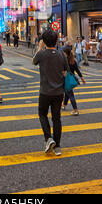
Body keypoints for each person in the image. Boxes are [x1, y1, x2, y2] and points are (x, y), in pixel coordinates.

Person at [32, 29, 69, 157]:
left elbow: (33, 61)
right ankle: (57, 147)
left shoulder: (41, 54)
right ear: (56, 40)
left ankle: (48, 138)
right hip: (59, 92)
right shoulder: (61, 55)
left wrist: (40, 47)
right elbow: (65, 73)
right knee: (56, 118)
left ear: (44, 41)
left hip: (45, 91)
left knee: (42, 114)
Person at [62, 47, 86, 116]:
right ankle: (64, 105)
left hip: (66, 80)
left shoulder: (64, 61)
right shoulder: (73, 61)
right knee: (67, 93)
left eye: (63, 53)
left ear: (66, 53)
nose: (62, 54)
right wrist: (82, 79)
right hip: (71, 80)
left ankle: (75, 110)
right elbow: (77, 71)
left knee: (70, 94)